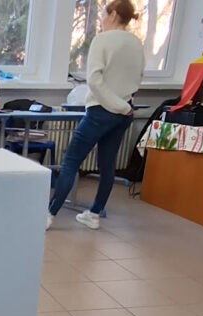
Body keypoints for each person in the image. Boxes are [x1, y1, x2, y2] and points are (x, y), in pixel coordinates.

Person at [47, 0, 144, 231]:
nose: (101, 19)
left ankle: (49, 214)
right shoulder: (136, 43)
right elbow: (138, 77)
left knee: (71, 161)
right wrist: (124, 106)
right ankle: (94, 214)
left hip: (101, 111)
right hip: (125, 112)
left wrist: (116, 105)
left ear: (113, 14)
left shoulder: (103, 40)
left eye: (103, 14)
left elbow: (95, 81)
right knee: (107, 165)